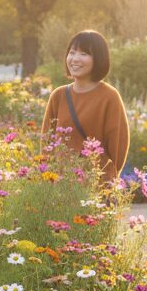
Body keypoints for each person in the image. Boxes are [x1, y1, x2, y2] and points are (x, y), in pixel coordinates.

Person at [40, 30, 130, 181]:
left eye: (84, 54)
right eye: (72, 52)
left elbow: (118, 147)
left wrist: (105, 181)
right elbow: (47, 144)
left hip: (96, 186)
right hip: (61, 186)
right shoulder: (58, 96)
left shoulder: (109, 97)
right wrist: (48, 179)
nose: (75, 59)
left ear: (98, 59)